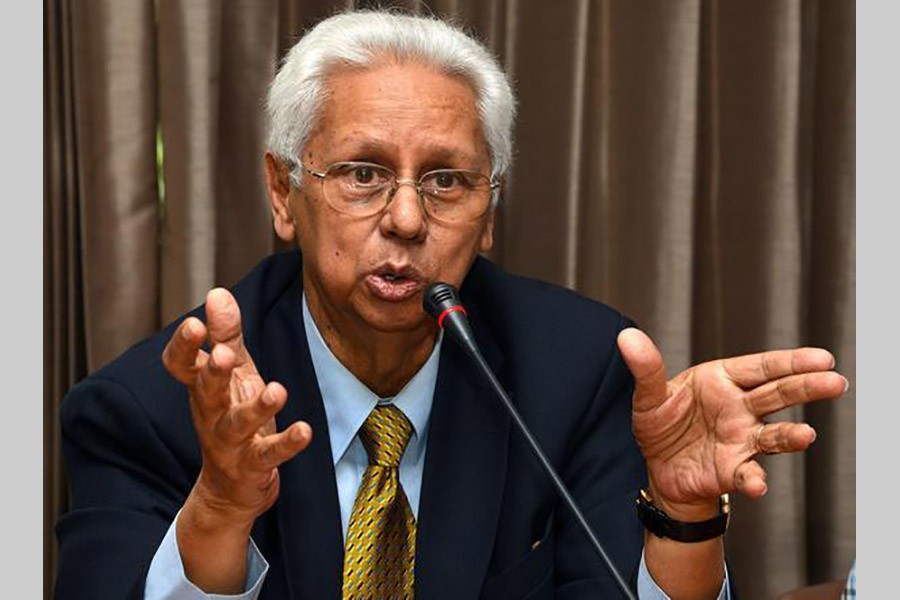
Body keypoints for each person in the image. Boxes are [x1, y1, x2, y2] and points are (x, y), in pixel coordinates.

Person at [54, 10, 847, 600]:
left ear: (489, 213)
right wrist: (219, 512)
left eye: (446, 181)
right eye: (363, 173)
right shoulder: (151, 408)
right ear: (284, 193)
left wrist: (682, 514)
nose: (406, 219)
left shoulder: (578, 373)